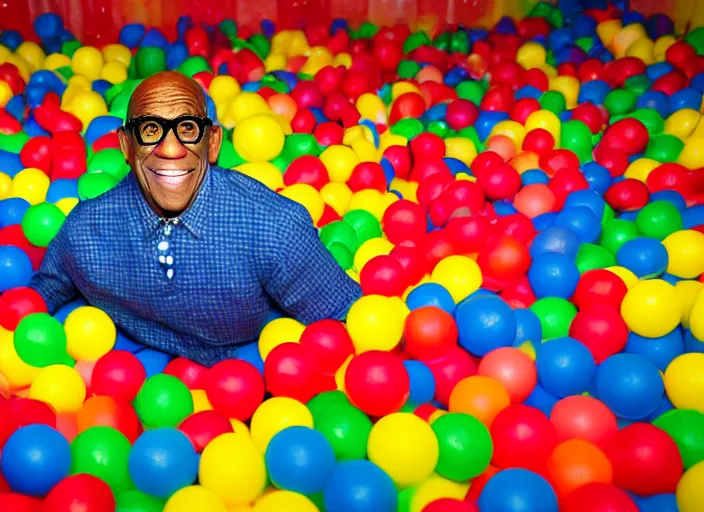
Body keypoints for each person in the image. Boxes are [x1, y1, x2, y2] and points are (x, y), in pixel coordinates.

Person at [28, 71, 362, 367]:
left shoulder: (273, 228)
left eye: (187, 128)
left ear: (213, 143)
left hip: (257, 385)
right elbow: (41, 295)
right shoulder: (86, 232)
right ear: (127, 146)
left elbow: (346, 326)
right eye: (150, 129)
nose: (170, 149)